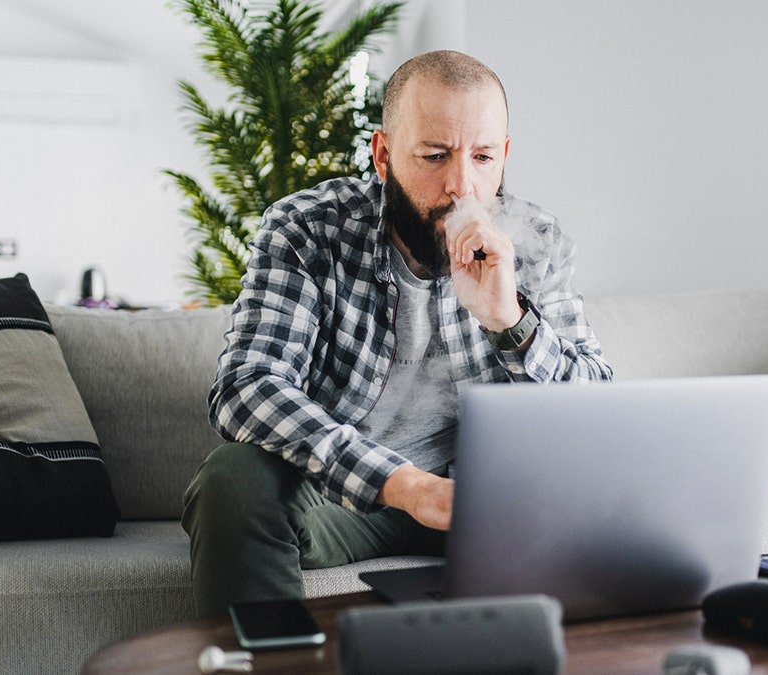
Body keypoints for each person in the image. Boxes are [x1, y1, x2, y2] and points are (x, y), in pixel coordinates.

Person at [182, 49, 613, 618]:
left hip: (486, 500)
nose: (463, 186)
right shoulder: (308, 228)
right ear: (383, 156)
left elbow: (597, 410)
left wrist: (511, 321)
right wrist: (406, 486)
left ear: (504, 155)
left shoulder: (536, 239)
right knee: (232, 480)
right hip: (348, 496)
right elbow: (247, 387)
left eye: (483, 157)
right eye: (435, 156)